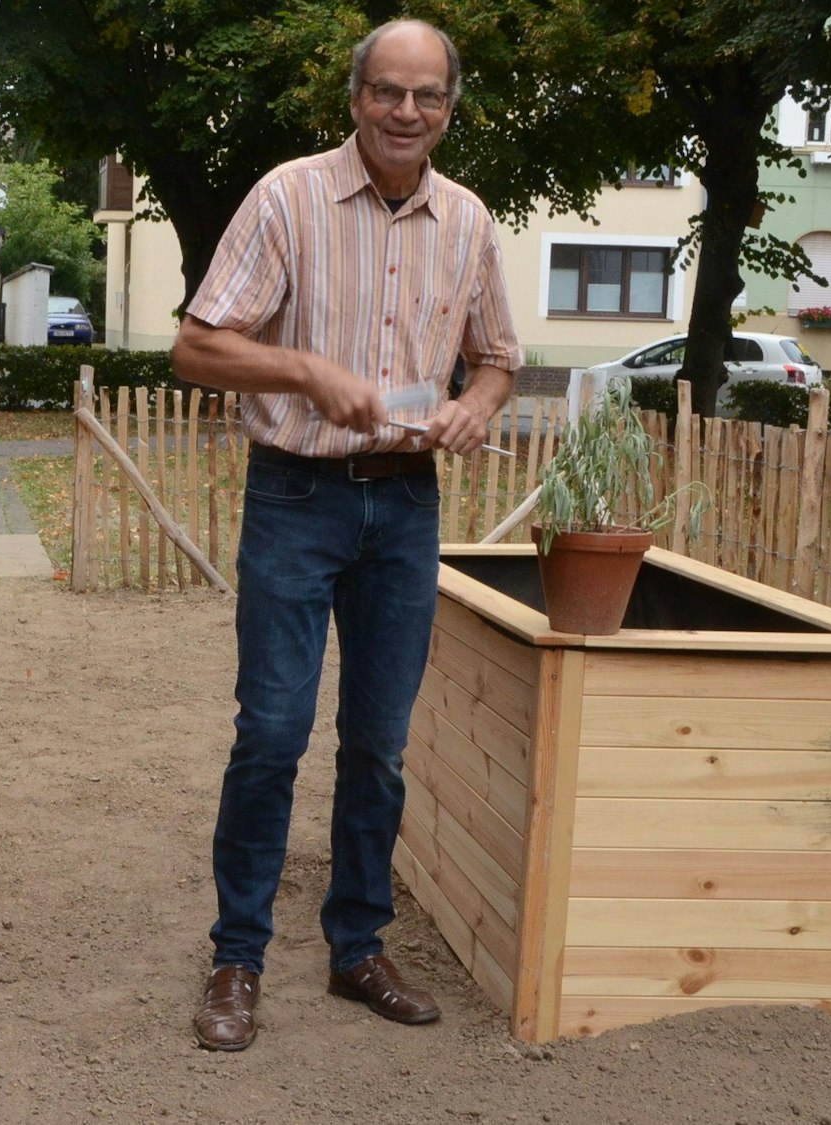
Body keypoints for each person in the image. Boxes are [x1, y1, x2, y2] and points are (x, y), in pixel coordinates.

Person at [170, 19, 522, 1051]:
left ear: (449, 107)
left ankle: (356, 946)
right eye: (386, 93)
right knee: (270, 735)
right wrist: (304, 371)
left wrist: (478, 406)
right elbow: (197, 346)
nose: (405, 113)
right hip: (295, 498)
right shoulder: (285, 198)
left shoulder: (466, 220)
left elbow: (496, 358)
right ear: (354, 96)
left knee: (375, 743)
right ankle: (236, 959)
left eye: (427, 97)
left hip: (406, 506)